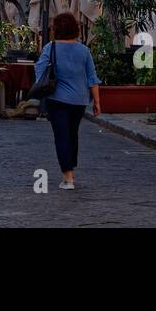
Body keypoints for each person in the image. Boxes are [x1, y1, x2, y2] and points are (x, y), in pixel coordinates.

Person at [33, 12, 101, 191]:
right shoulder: (84, 51)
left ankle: (68, 177)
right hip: (79, 101)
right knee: (72, 134)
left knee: (61, 136)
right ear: (75, 29)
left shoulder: (51, 47)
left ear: (56, 29)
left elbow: (39, 71)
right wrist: (97, 102)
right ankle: (70, 169)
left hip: (57, 99)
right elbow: (92, 78)